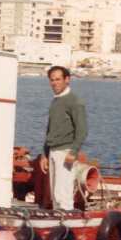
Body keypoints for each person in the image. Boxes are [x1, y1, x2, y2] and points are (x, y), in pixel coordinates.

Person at [38, 66, 87, 210]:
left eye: (58, 79)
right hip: (53, 151)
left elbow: (82, 130)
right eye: (52, 80)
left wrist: (73, 151)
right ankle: (58, 227)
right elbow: (50, 129)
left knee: (62, 194)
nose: (54, 83)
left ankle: (68, 226)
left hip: (66, 152)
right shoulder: (56, 101)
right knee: (54, 195)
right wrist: (45, 154)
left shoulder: (74, 101)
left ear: (67, 80)